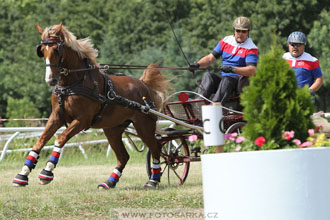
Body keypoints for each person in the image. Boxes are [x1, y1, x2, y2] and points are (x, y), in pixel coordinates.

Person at [190, 16, 258, 105]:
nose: (240, 34)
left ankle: (214, 107)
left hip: (238, 83)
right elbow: (210, 58)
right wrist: (198, 64)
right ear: (234, 30)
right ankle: (198, 104)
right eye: (238, 30)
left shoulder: (251, 48)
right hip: (224, 81)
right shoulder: (226, 41)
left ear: (248, 32)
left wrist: (233, 69)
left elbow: (252, 70)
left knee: (227, 80)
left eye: (243, 31)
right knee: (208, 75)